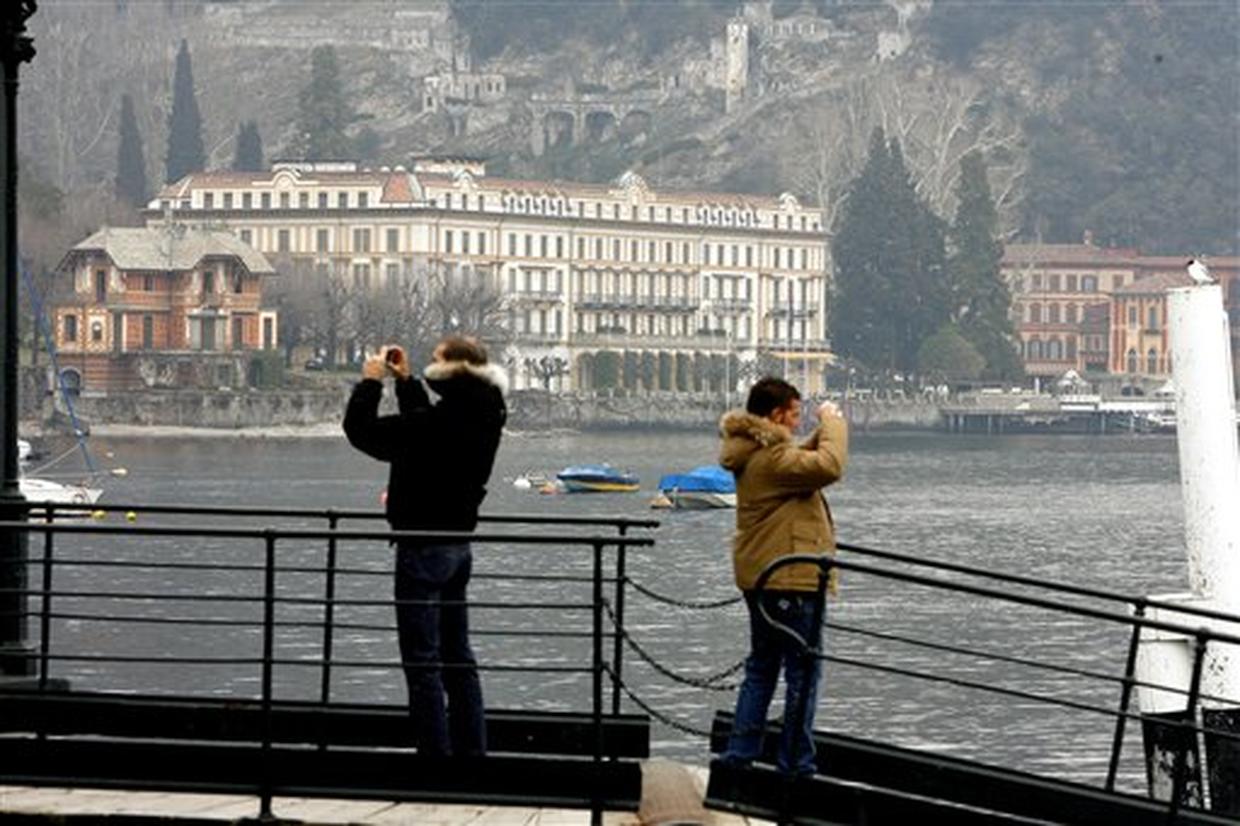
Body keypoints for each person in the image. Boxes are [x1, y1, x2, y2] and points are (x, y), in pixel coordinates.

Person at [343, 335, 507, 757]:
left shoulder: (440, 422)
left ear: (450, 371)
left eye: (436, 361)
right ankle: (473, 754)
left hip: (420, 545)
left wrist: (370, 383)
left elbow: (363, 432)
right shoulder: (485, 412)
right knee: (459, 658)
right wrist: (408, 380)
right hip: (458, 545)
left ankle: (434, 759)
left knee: (423, 662)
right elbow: (429, 427)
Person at [717, 376, 848, 776]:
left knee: (762, 668)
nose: (798, 421)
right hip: (791, 578)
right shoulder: (773, 460)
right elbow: (829, 465)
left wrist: (813, 436)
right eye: (794, 415)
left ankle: (739, 759)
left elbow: (799, 460)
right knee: (802, 674)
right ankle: (796, 767)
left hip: (764, 577)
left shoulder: (756, 452)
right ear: (776, 415)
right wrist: (833, 422)